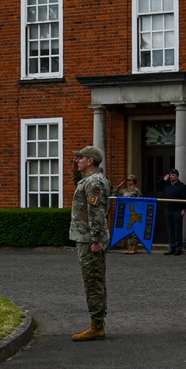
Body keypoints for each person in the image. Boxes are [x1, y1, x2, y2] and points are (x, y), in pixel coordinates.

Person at [69, 146, 113, 341]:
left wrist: (96, 240)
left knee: (93, 282)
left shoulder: (94, 182)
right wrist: (74, 169)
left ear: (90, 161)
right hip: (86, 237)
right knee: (93, 279)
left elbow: (96, 213)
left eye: (81, 158)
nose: (77, 160)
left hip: (90, 239)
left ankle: (96, 326)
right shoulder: (89, 180)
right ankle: (97, 322)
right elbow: (78, 184)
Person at [157, 168, 186, 255]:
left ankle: (178, 248)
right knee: (170, 230)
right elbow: (158, 187)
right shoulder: (167, 185)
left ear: (177, 176)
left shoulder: (181, 186)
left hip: (177, 210)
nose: (171, 177)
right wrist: (163, 180)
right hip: (168, 209)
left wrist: (184, 208)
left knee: (177, 229)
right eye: (170, 175)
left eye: (173, 175)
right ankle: (172, 248)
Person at [118, 174, 142, 255]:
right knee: (128, 229)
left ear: (133, 181)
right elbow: (115, 193)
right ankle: (129, 247)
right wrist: (119, 186)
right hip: (126, 211)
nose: (128, 182)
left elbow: (140, 201)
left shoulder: (136, 191)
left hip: (134, 212)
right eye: (127, 180)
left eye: (130, 180)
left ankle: (134, 247)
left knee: (134, 230)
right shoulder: (125, 191)